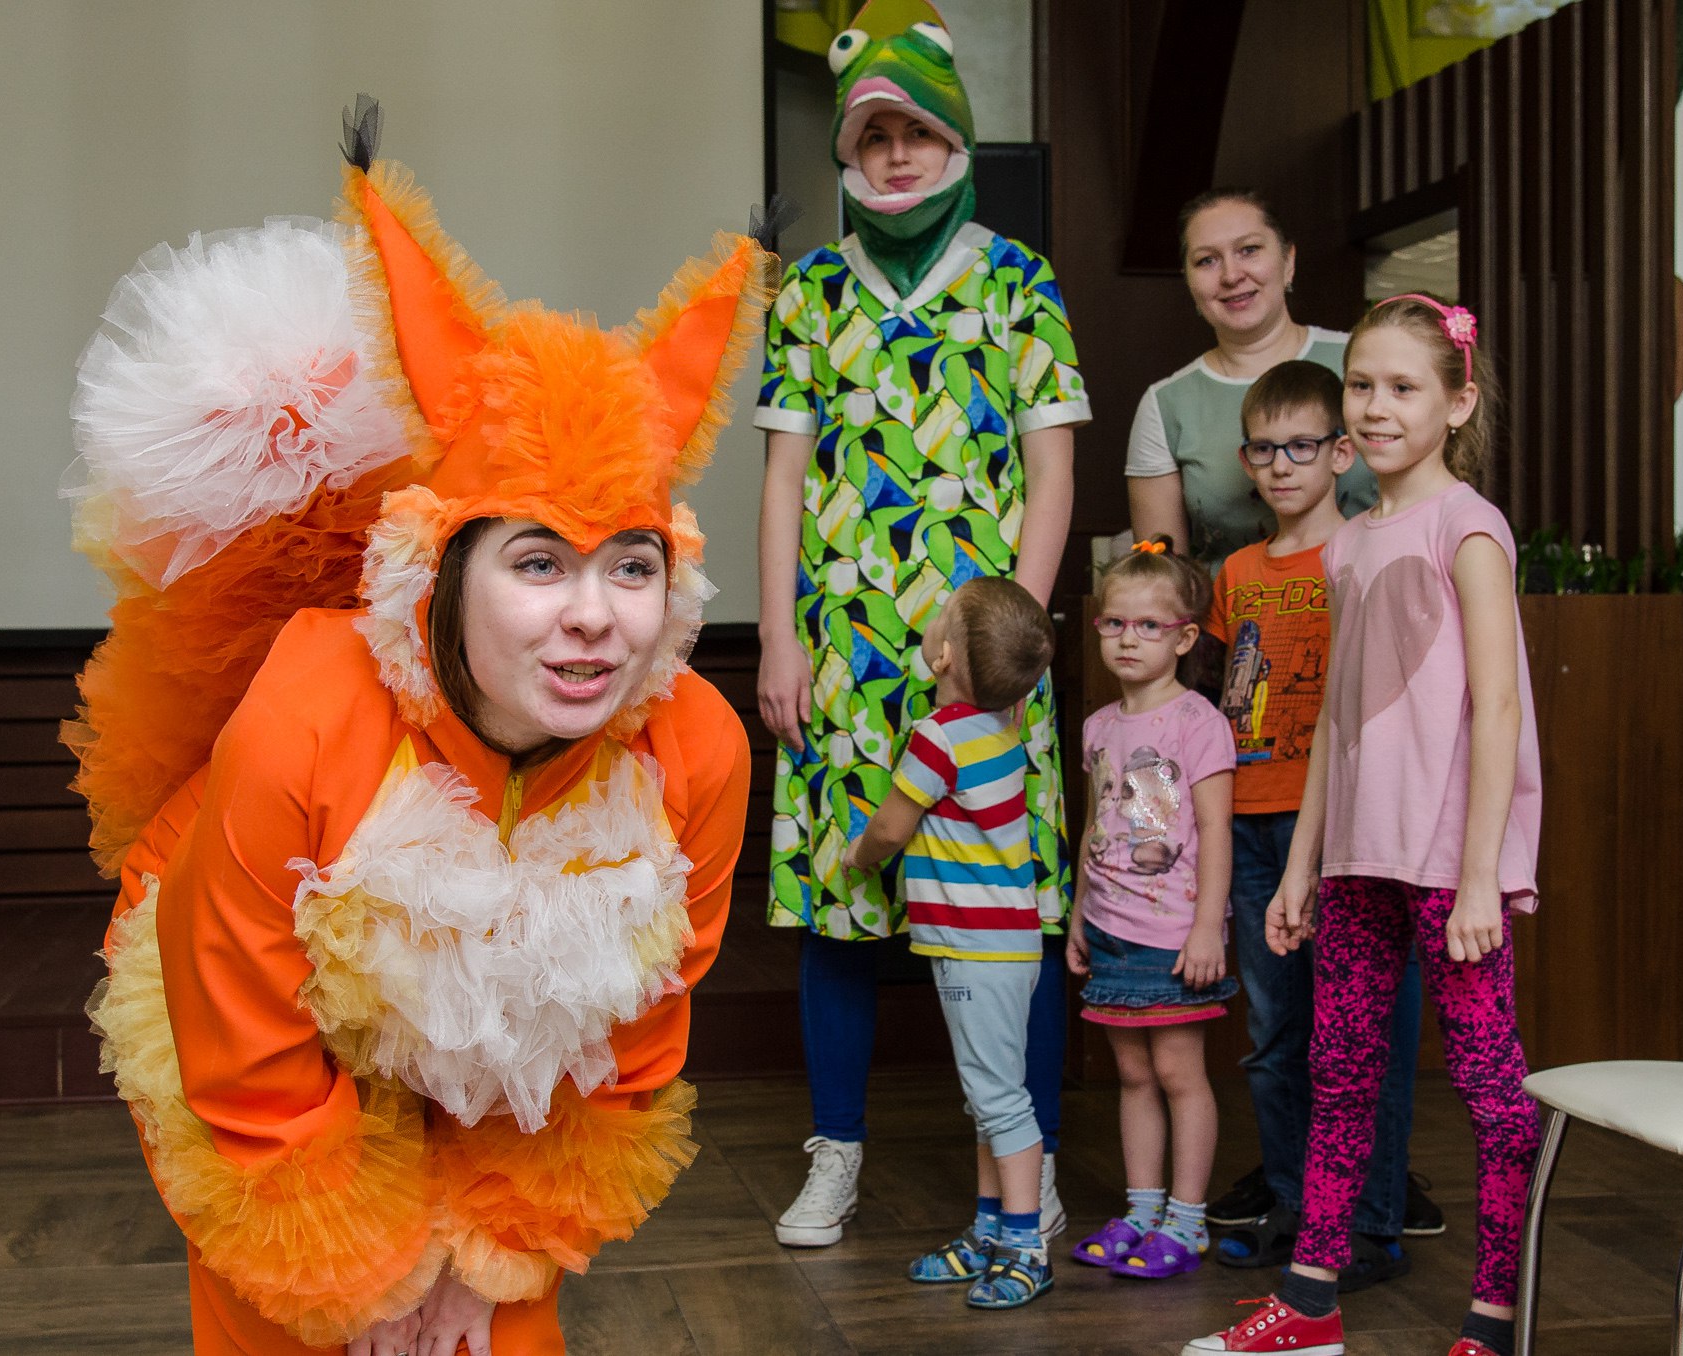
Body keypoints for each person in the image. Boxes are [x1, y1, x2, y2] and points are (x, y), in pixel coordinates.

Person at [67, 100, 766, 1355]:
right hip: (249, 1018)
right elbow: (243, 1029)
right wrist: (364, 1267)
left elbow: (633, 1026)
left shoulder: (695, 752)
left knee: (499, 1322)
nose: (594, 617)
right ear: (444, 574)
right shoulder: (306, 716)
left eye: (631, 567)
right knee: (305, 1319)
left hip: (493, 1042)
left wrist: (498, 1247)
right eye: (540, 564)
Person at [754, 0, 1089, 1249]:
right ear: (848, 152)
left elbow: (1051, 472)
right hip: (842, 655)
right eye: (871, 135)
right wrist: (779, 637)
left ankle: (1029, 1177)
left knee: (1013, 920)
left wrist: (1015, 648)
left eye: (916, 132)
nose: (894, 155)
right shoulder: (811, 291)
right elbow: (782, 476)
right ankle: (834, 1155)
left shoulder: (1017, 278)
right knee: (840, 903)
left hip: (982, 665)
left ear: (954, 139)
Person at [1181, 295, 1545, 1356]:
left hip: (1447, 867)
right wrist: (1303, 864)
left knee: (1491, 1091)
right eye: (1362, 386)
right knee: (1337, 1078)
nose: (1377, 408)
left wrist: (1479, 876)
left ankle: (1493, 1316)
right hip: (1355, 859)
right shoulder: (1347, 546)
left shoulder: (1467, 528)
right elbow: (1337, 719)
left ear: (1456, 402)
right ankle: (1308, 1305)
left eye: (1403, 387)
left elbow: (1498, 706)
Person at [1201, 363, 1416, 1290]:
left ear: (1340, 453)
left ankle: (1371, 1221)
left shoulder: (1364, 552)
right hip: (1249, 825)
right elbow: (1220, 698)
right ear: (1246, 461)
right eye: (1264, 448)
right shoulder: (1236, 574)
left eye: (1301, 446)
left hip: (1340, 827)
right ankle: (1297, 1207)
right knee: (1275, 1033)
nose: (1281, 464)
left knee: (1361, 1033)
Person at [844, 576, 1060, 1309]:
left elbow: (890, 827)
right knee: (987, 1097)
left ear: (940, 657)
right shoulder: (1001, 722)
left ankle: (1027, 1246)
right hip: (1003, 946)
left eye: (941, 620)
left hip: (977, 949)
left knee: (1000, 1100)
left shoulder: (939, 738)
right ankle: (990, 1232)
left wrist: (858, 856)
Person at [1065, 542, 1238, 1282]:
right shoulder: (1099, 726)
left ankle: (1187, 1220)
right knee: (1132, 1074)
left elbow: (1216, 830)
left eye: (1148, 626)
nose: (1128, 640)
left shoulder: (1198, 722)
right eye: (1114, 624)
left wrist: (1207, 929)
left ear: (1185, 637)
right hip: (1110, 929)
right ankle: (1141, 1211)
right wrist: (1080, 914)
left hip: (1172, 936)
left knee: (1177, 1072)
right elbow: (1095, 827)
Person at [1126, 189, 1376, 569]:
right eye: (1207, 260)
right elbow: (1163, 580)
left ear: (1288, 261)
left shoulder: (1364, 362)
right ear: (1188, 280)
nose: (1231, 275)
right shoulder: (1166, 405)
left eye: (1249, 250)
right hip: (1228, 606)